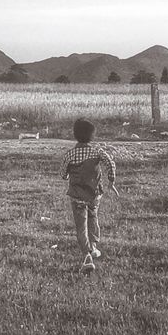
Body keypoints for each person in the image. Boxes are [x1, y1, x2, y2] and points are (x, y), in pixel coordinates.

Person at [61, 117, 117, 273]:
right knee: (93, 219)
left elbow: (63, 173)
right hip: (94, 195)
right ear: (92, 136)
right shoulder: (97, 151)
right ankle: (93, 247)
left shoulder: (70, 154)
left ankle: (87, 256)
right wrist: (111, 180)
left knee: (81, 226)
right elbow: (110, 163)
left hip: (77, 196)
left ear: (75, 134)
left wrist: (67, 176)